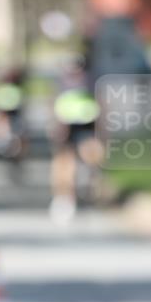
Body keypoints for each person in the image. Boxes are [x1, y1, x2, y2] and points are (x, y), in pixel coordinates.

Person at [48, 55, 103, 223]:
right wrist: (55, 126)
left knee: (92, 157)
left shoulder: (91, 81)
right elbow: (54, 104)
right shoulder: (61, 84)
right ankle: (64, 199)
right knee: (64, 165)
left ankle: (89, 183)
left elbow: (102, 104)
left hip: (87, 126)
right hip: (67, 128)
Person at [0, 67, 28, 169]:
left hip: (13, 117)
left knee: (19, 134)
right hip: (6, 118)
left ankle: (17, 153)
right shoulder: (3, 91)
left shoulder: (14, 90)